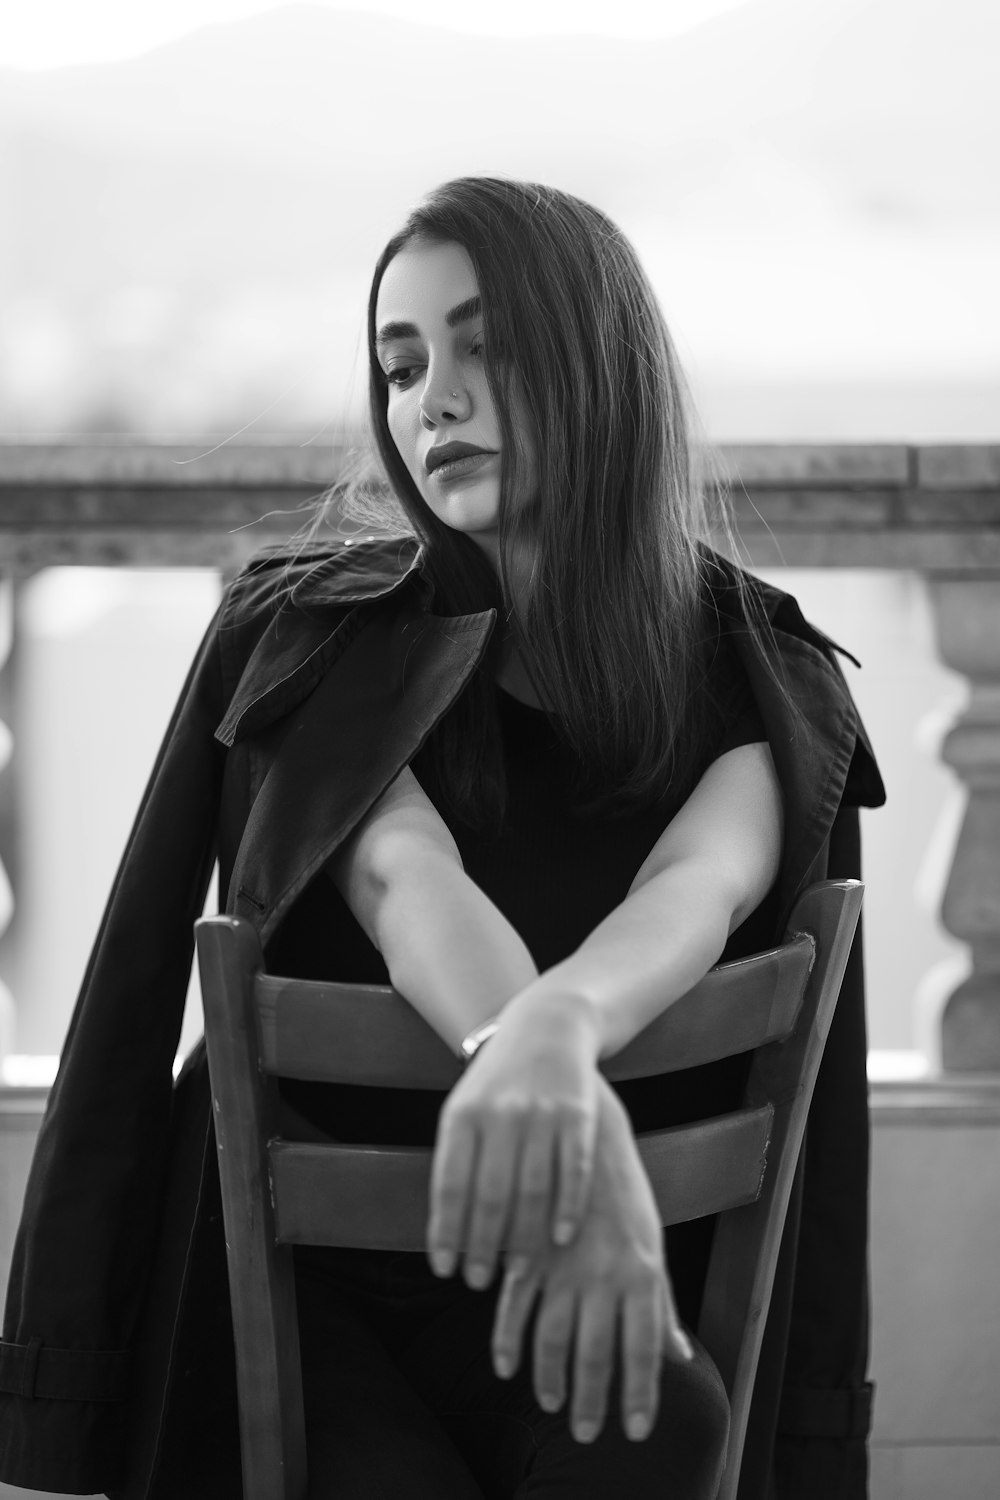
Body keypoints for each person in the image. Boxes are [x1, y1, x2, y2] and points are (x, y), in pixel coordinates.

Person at [0, 178, 884, 1500]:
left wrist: (554, 1037)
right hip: (288, 1294)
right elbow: (407, 878)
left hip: (551, 1275)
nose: (432, 402)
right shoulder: (322, 641)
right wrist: (559, 1102)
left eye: (485, 349)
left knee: (663, 1429)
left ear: (603, 365)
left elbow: (696, 890)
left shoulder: (763, 675)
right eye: (401, 367)